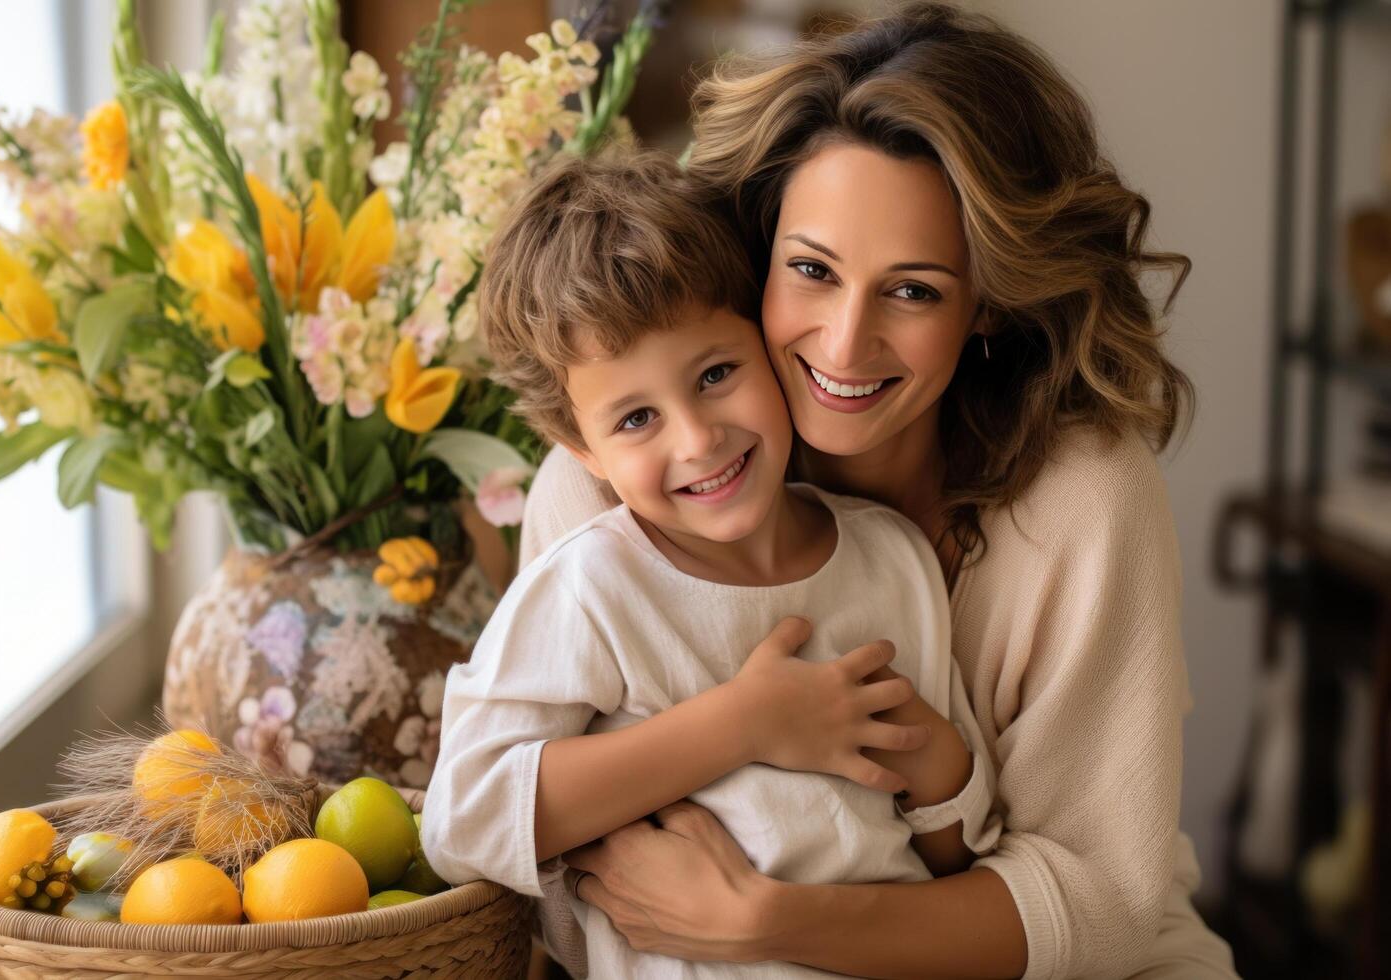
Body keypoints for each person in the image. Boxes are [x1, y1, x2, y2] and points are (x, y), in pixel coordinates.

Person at [515, 4, 1241, 978]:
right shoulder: (611, 494)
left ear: (986, 301)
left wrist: (763, 920)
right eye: (811, 270)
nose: (845, 344)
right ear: (760, 251)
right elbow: (578, 874)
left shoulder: (1084, 498)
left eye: (913, 290)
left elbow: (1100, 907)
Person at [422, 152, 1002, 978]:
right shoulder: (591, 587)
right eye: (635, 419)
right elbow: (464, 820)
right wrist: (744, 723)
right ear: (579, 449)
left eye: (717, 374)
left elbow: (956, 856)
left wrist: (932, 760)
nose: (696, 439)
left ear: (767, 345)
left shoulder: (890, 558)